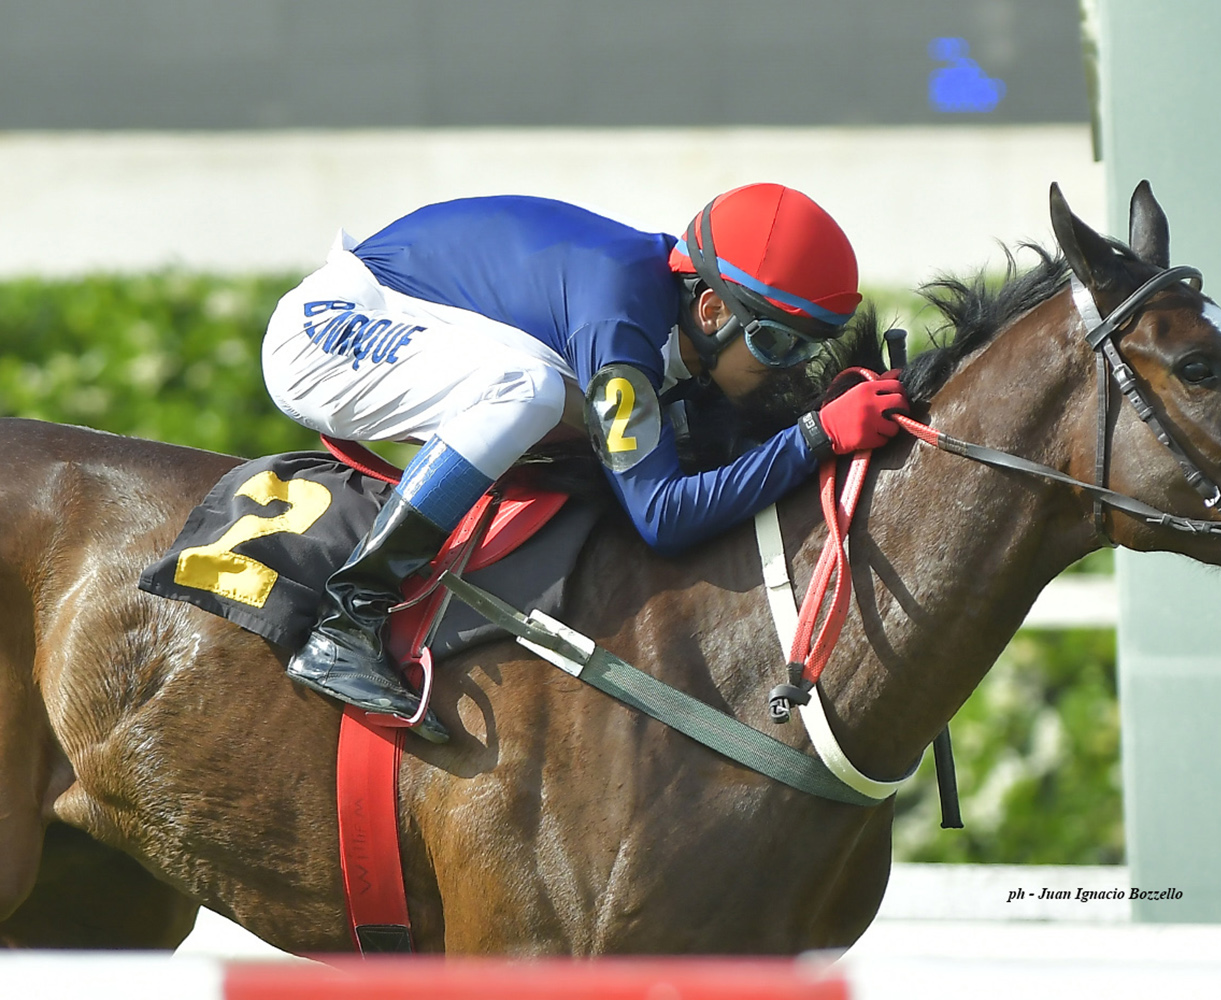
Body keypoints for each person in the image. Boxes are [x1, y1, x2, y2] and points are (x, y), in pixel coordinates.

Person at [261, 183, 910, 743]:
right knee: (529, 391)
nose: (789, 368)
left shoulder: (669, 314)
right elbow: (662, 518)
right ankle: (347, 623)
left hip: (414, 321)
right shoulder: (620, 319)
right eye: (776, 344)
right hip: (326, 332)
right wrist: (814, 436)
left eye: (808, 349)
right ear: (712, 310)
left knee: (636, 421)